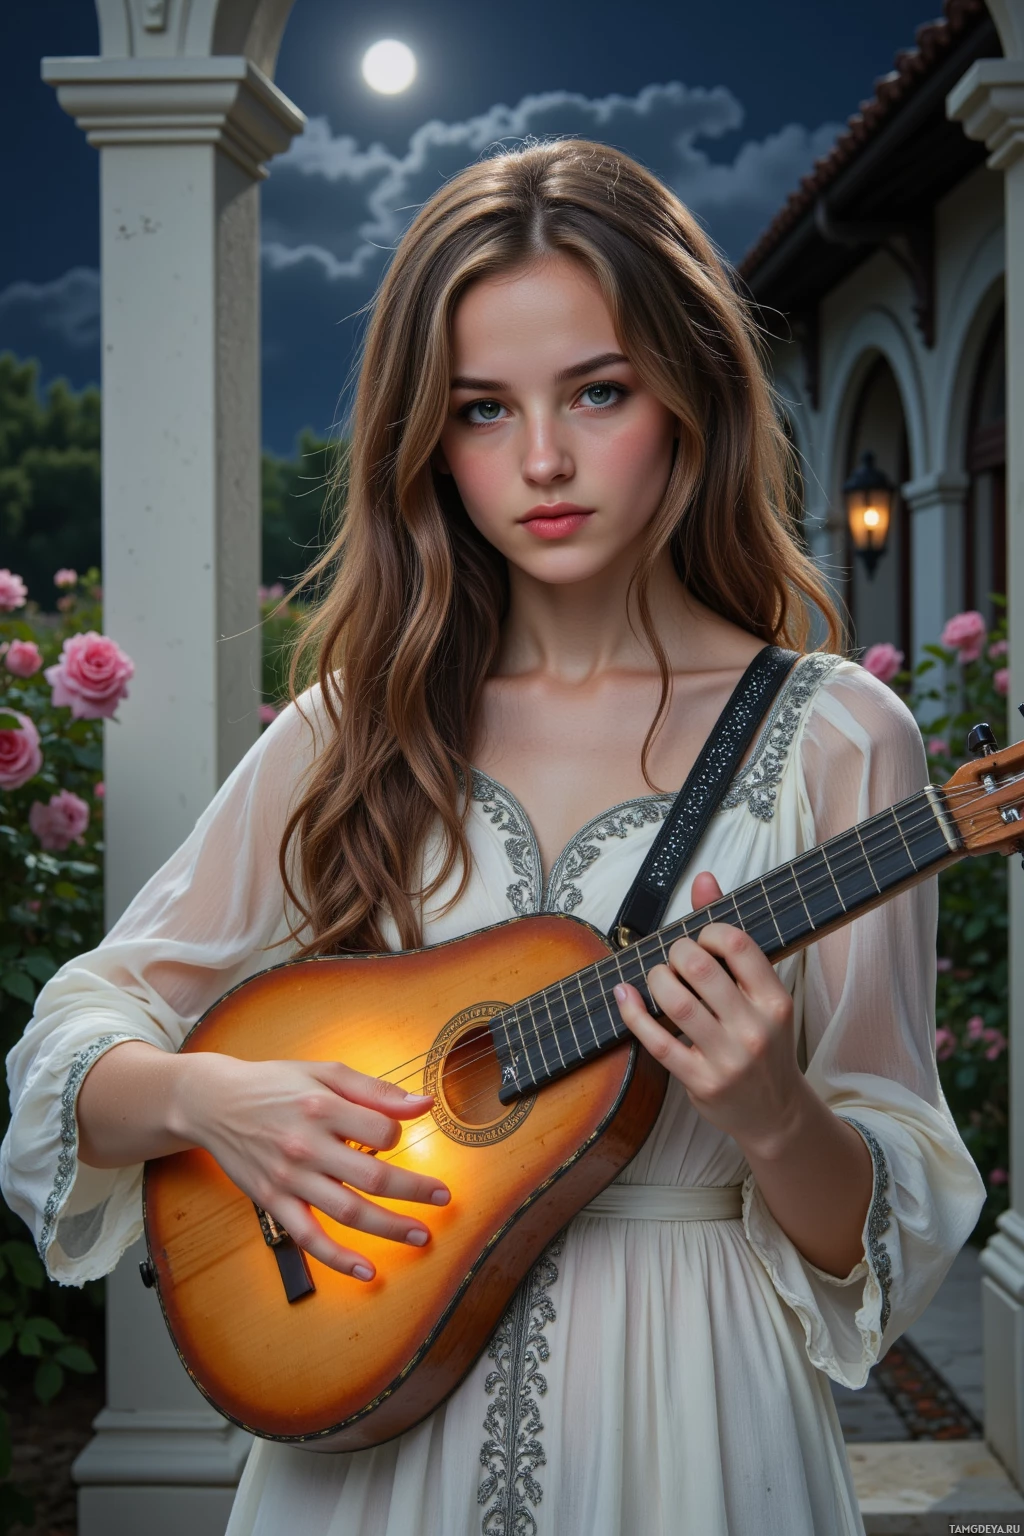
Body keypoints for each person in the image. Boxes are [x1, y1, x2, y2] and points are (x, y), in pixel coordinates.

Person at [2, 140, 984, 1536]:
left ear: (694, 395)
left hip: (689, 1419)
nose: (540, 460)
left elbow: (877, 1241)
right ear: (425, 435)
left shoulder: (842, 739)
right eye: (478, 408)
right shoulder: (360, 726)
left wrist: (772, 1111)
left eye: (598, 391)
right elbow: (74, 1041)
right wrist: (212, 1101)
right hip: (370, 1433)